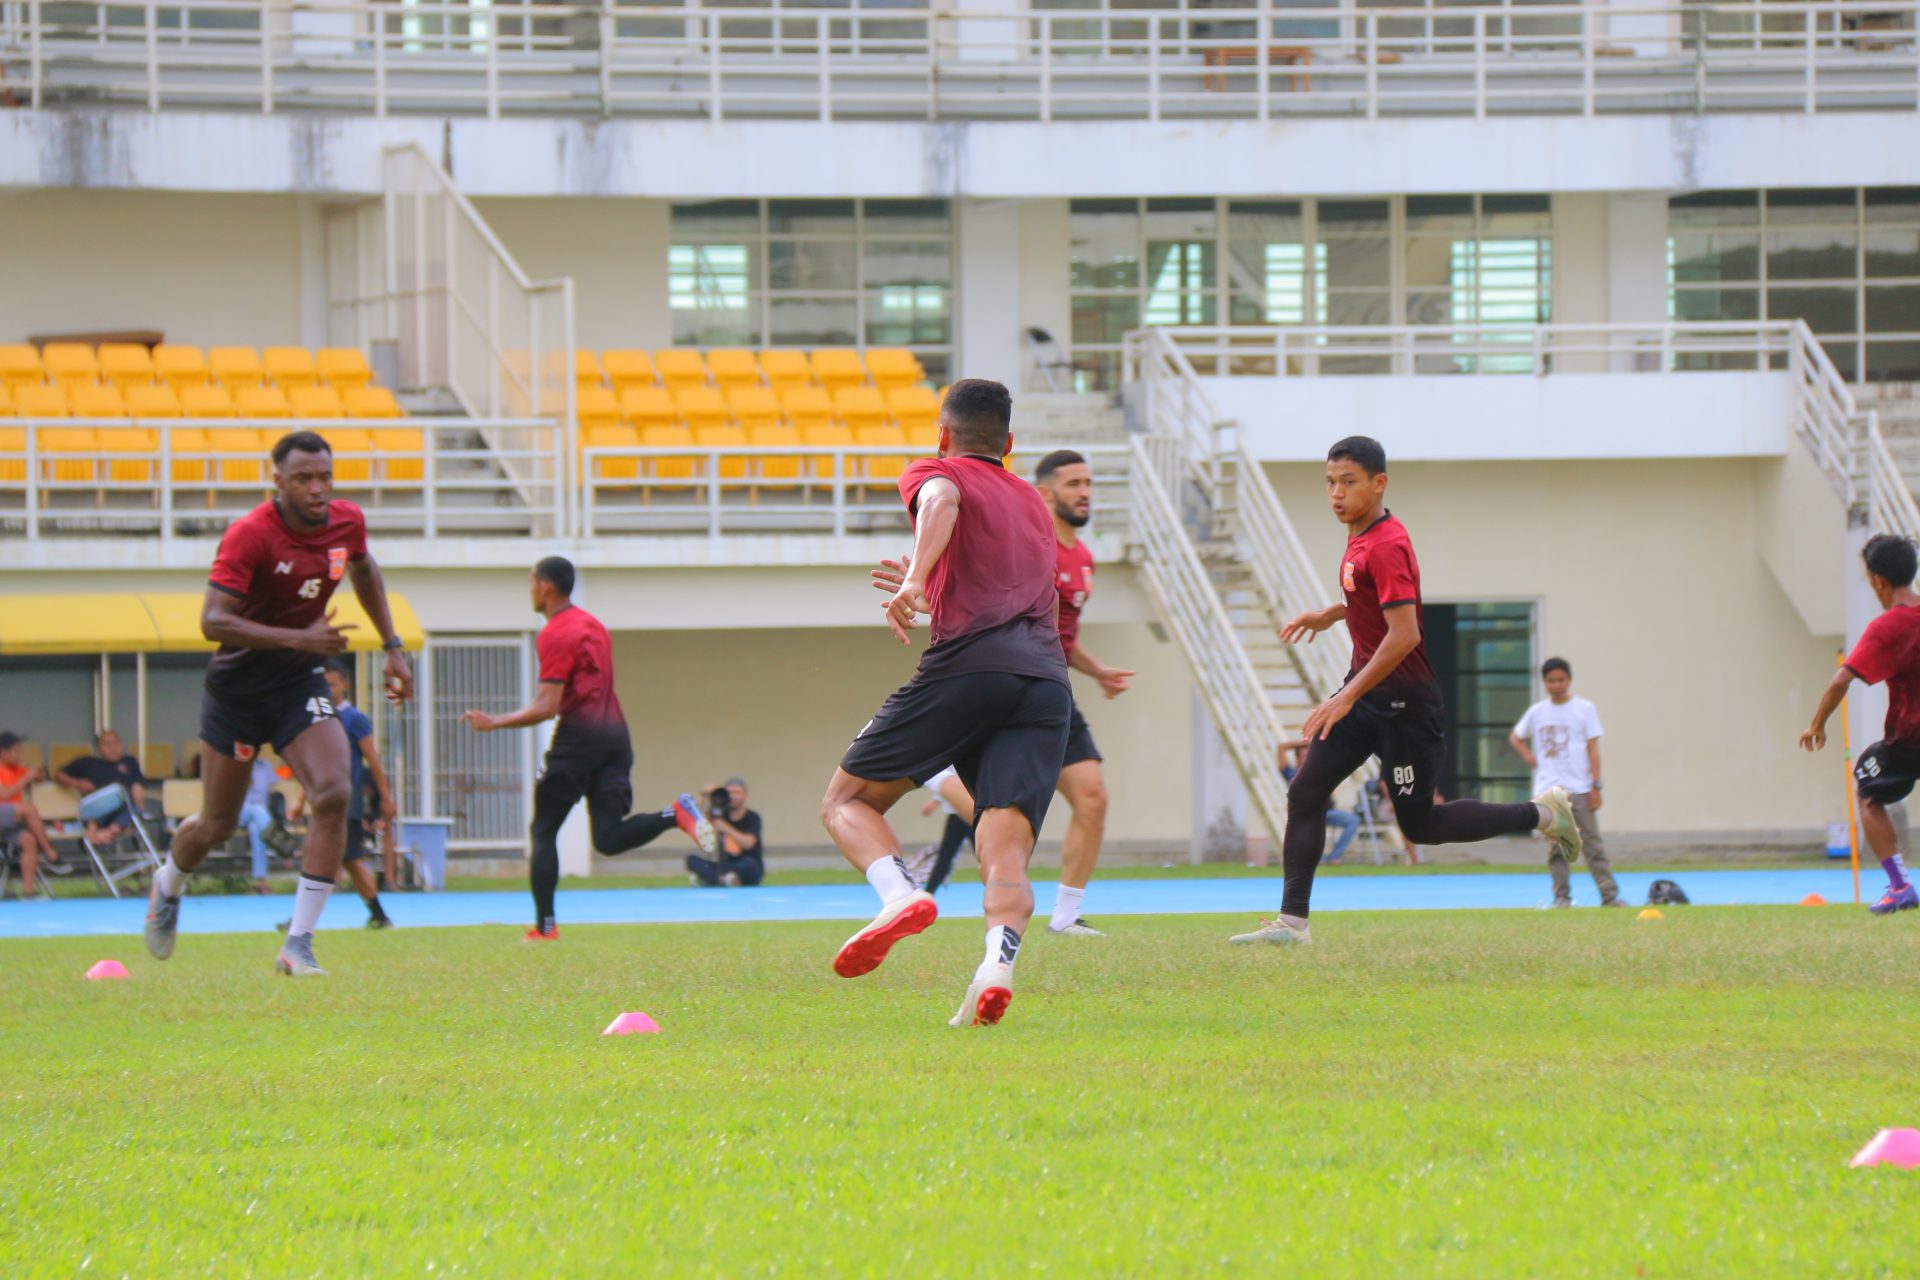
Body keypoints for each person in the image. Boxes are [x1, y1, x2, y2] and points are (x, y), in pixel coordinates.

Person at [1231, 436, 1581, 945]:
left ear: (1379, 484)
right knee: (1305, 791)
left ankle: (1545, 813)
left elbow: (1406, 634)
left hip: (1405, 708)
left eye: (1348, 483)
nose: (1336, 494)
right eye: (1330, 483)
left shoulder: (1387, 543)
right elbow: (1373, 595)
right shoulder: (1360, 535)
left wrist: (1345, 695)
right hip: (1366, 698)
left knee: (1421, 825)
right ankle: (1293, 924)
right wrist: (1332, 615)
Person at [824, 378, 1070, 1028]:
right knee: (1005, 843)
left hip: (970, 669)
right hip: (1045, 683)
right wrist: (933, 587)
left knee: (846, 800)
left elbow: (942, 499)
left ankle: (899, 894)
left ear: (943, 435)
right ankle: (997, 963)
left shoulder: (933, 470)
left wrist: (911, 579)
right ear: (1009, 444)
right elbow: (1008, 593)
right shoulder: (1029, 500)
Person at [143, 430, 415, 978]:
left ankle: (299, 944)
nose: (317, 489)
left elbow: (364, 568)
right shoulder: (250, 535)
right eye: (303, 479)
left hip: (298, 683)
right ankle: (168, 883)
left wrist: (393, 647)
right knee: (217, 824)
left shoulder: (347, 522)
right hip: (238, 691)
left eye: (324, 478)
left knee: (335, 792)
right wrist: (298, 639)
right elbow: (211, 621)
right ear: (278, 481)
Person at [872, 449, 1135, 936]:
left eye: (1089, 483)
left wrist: (1097, 671)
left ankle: (1065, 915)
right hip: (1000, 674)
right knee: (996, 810)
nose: (1085, 492)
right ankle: (938, 781)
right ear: (1045, 493)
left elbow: (1060, 633)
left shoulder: (1083, 556)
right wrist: (930, 589)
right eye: (1074, 483)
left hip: (1048, 680)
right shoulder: (1029, 543)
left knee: (1092, 797)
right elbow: (989, 601)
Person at [462, 556, 715, 940]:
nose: (530, 589)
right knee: (608, 839)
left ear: (545, 586)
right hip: (615, 737)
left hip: (577, 742)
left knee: (543, 830)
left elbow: (547, 706)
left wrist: (494, 722)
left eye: (531, 582)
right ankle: (675, 813)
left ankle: (546, 927)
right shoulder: (594, 625)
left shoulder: (554, 633)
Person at [1800, 532, 1920, 914]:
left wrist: (1817, 724)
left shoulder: (1888, 627)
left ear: (1879, 581)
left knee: (1869, 792)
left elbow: (1841, 681)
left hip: (1909, 741)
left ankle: (1900, 886)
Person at [283, 662, 396, 929]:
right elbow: (317, 766)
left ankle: (377, 914)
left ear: (345, 685)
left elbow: (374, 761)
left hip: (348, 798)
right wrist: (301, 801)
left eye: (332, 684)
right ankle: (376, 915)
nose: (328, 690)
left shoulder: (354, 719)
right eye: (324, 685)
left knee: (347, 858)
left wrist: (386, 799)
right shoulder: (320, 719)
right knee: (335, 856)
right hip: (325, 798)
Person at [1511, 657, 1625, 908]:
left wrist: (1596, 785)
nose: (1557, 685)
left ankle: (1609, 896)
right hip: (1549, 790)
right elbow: (1516, 737)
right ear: (1544, 683)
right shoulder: (1537, 712)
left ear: (1569, 680)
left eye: (1561, 679)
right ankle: (1561, 897)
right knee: (1556, 847)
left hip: (1580, 787)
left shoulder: (1584, 709)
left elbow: (1593, 748)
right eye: (1551, 680)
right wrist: (1531, 758)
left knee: (1593, 845)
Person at [55, 729, 148, 844]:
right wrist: (77, 783)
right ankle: (102, 829)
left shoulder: (129, 761)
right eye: (107, 744)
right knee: (112, 804)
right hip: (98, 810)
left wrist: (138, 790)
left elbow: (138, 783)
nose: (113, 748)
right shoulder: (87, 763)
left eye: (116, 743)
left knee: (133, 807)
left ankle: (105, 832)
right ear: (99, 748)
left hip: (123, 809)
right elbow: (59, 774)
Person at [0, 731, 63, 894]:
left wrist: (40, 774)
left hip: (10, 821)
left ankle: (28, 891)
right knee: (28, 808)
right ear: (4, 753)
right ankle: (50, 852)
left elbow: (36, 777)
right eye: (16, 751)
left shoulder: (19, 769)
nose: (20, 754)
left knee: (29, 840)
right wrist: (27, 778)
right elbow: (4, 794)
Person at [1280, 744, 1360, 866]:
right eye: (1304, 756)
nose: (1308, 758)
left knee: (1352, 820)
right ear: (1298, 758)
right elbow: (1281, 747)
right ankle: (1318, 859)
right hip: (1306, 813)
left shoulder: (1320, 770)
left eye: (1310, 756)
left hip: (1327, 811)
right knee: (1310, 826)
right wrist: (1304, 743)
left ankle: (1334, 856)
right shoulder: (1291, 773)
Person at [905, 765, 974, 894]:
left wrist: (936, 801)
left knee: (986, 855)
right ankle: (928, 894)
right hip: (956, 815)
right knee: (945, 856)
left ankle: (1002, 890)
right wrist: (936, 801)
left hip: (970, 813)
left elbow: (955, 781)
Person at [686, 777, 765, 887]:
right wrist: (705, 795)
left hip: (746, 865)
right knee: (691, 860)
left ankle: (712, 879)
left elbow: (748, 844)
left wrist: (725, 828)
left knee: (750, 864)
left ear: (745, 795)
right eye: (730, 793)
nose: (733, 796)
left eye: (737, 792)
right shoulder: (719, 814)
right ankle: (725, 879)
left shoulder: (753, 817)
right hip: (724, 865)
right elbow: (697, 818)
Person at [237, 754, 281, 892]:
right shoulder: (235, 764)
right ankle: (278, 840)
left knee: (257, 830)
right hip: (238, 814)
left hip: (260, 818)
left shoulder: (265, 765)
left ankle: (261, 881)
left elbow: (278, 782)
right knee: (257, 810)